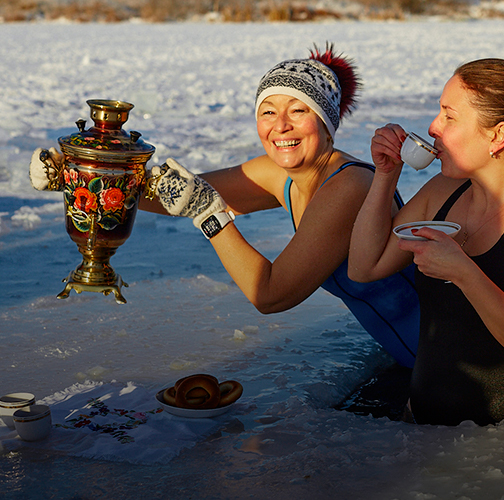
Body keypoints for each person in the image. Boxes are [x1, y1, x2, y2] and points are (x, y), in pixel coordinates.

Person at [30, 44, 420, 369]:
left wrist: (208, 214)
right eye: (268, 112)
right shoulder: (279, 173)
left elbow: (270, 294)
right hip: (415, 360)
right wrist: (80, 176)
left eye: (298, 111)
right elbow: (173, 194)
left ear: (327, 121)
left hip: (448, 362)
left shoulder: (348, 186)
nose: (280, 126)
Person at [348, 58, 504, 428]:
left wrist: (465, 272)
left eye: (449, 116)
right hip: (420, 425)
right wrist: (385, 176)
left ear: (498, 135)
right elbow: (364, 267)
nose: (433, 127)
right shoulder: (444, 190)